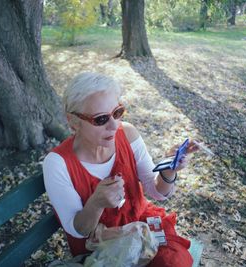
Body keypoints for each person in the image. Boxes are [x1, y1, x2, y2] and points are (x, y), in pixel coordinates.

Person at [43, 72, 199, 266]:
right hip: (102, 246)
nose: (113, 125)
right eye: (100, 119)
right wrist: (96, 203)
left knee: (174, 261)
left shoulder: (128, 134)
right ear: (74, 122)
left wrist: (169, 170)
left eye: (117, 113)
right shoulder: (57, 163)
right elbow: (77, 230)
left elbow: (157, 192)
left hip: (141, 225)